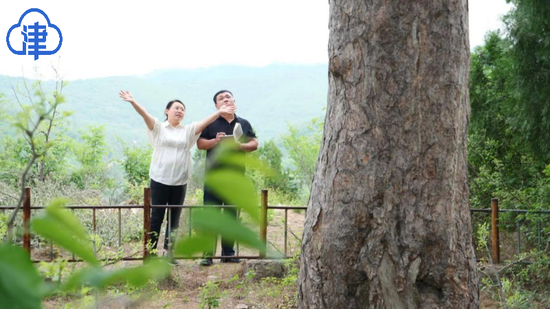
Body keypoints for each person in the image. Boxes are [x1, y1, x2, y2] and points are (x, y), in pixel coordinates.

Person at [119, 90, 235, 264]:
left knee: (174, 219)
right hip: (159, 179)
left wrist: (219, 112)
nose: (180, 111)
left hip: (180, 181)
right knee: (156, 217)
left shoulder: (187, 131)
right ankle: (150, 254)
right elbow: (145, 115)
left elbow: (204, 124)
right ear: (167, 111)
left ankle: (170, 254)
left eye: (182, 109)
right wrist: (133, 102)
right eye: (176, 108)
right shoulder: (158, 127)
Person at [197, 90, 258, 266]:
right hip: (214, 177)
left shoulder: (243, 123)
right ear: (217, 106)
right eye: (220, 98)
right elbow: (200, 144)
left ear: (234, 100)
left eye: (227, 97)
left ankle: (228, 254)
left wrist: (241, 146)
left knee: (231, 216)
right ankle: (208, 255)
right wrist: (215, 141)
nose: (225, 99)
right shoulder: (211, 122)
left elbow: (254, 144)